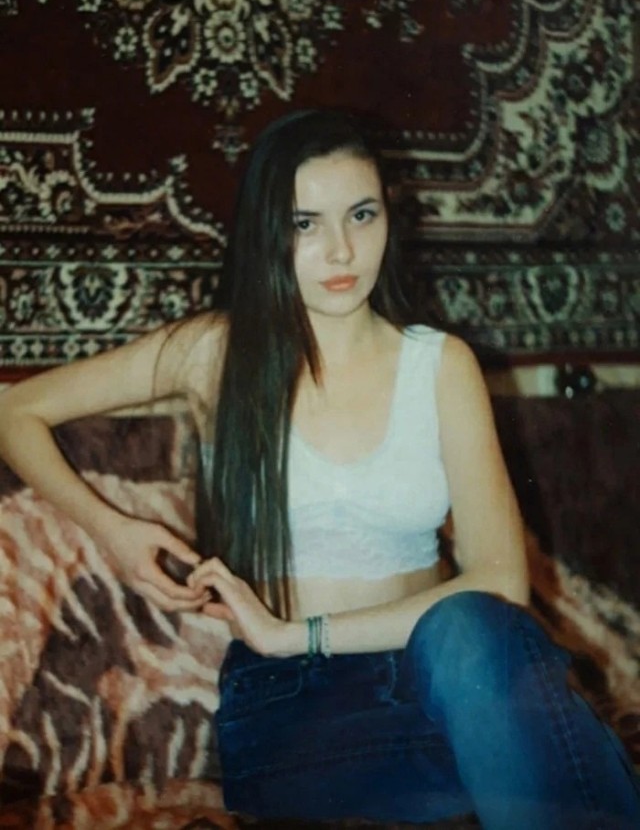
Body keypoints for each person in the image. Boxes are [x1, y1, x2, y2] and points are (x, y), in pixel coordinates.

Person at [0, 108, 638, 830]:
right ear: (267, 232)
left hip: (442, 680)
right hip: (297, 709)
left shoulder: (440, 365)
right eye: (306, 224)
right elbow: (17, 411)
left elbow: (499, 580)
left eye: (361, 215)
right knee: (540, 769)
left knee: (473, 632)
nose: (341, 251)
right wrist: (114, 530)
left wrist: (298, 633)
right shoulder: (214, 352)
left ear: (389, 216)